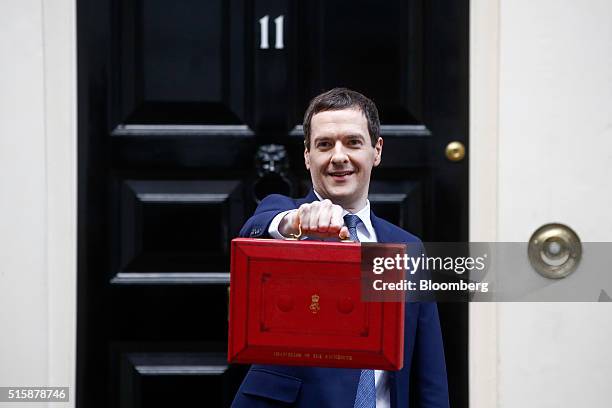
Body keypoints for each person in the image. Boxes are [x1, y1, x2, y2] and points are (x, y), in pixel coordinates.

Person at [231, 88, 449, 407]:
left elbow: (429, 373)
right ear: (307, 156)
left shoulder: (408, 248)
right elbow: (258, 229)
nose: (338, 156)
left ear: (376, 151)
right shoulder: (284, 215)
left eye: (352, 142)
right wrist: (295, 223)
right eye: (324, 144)